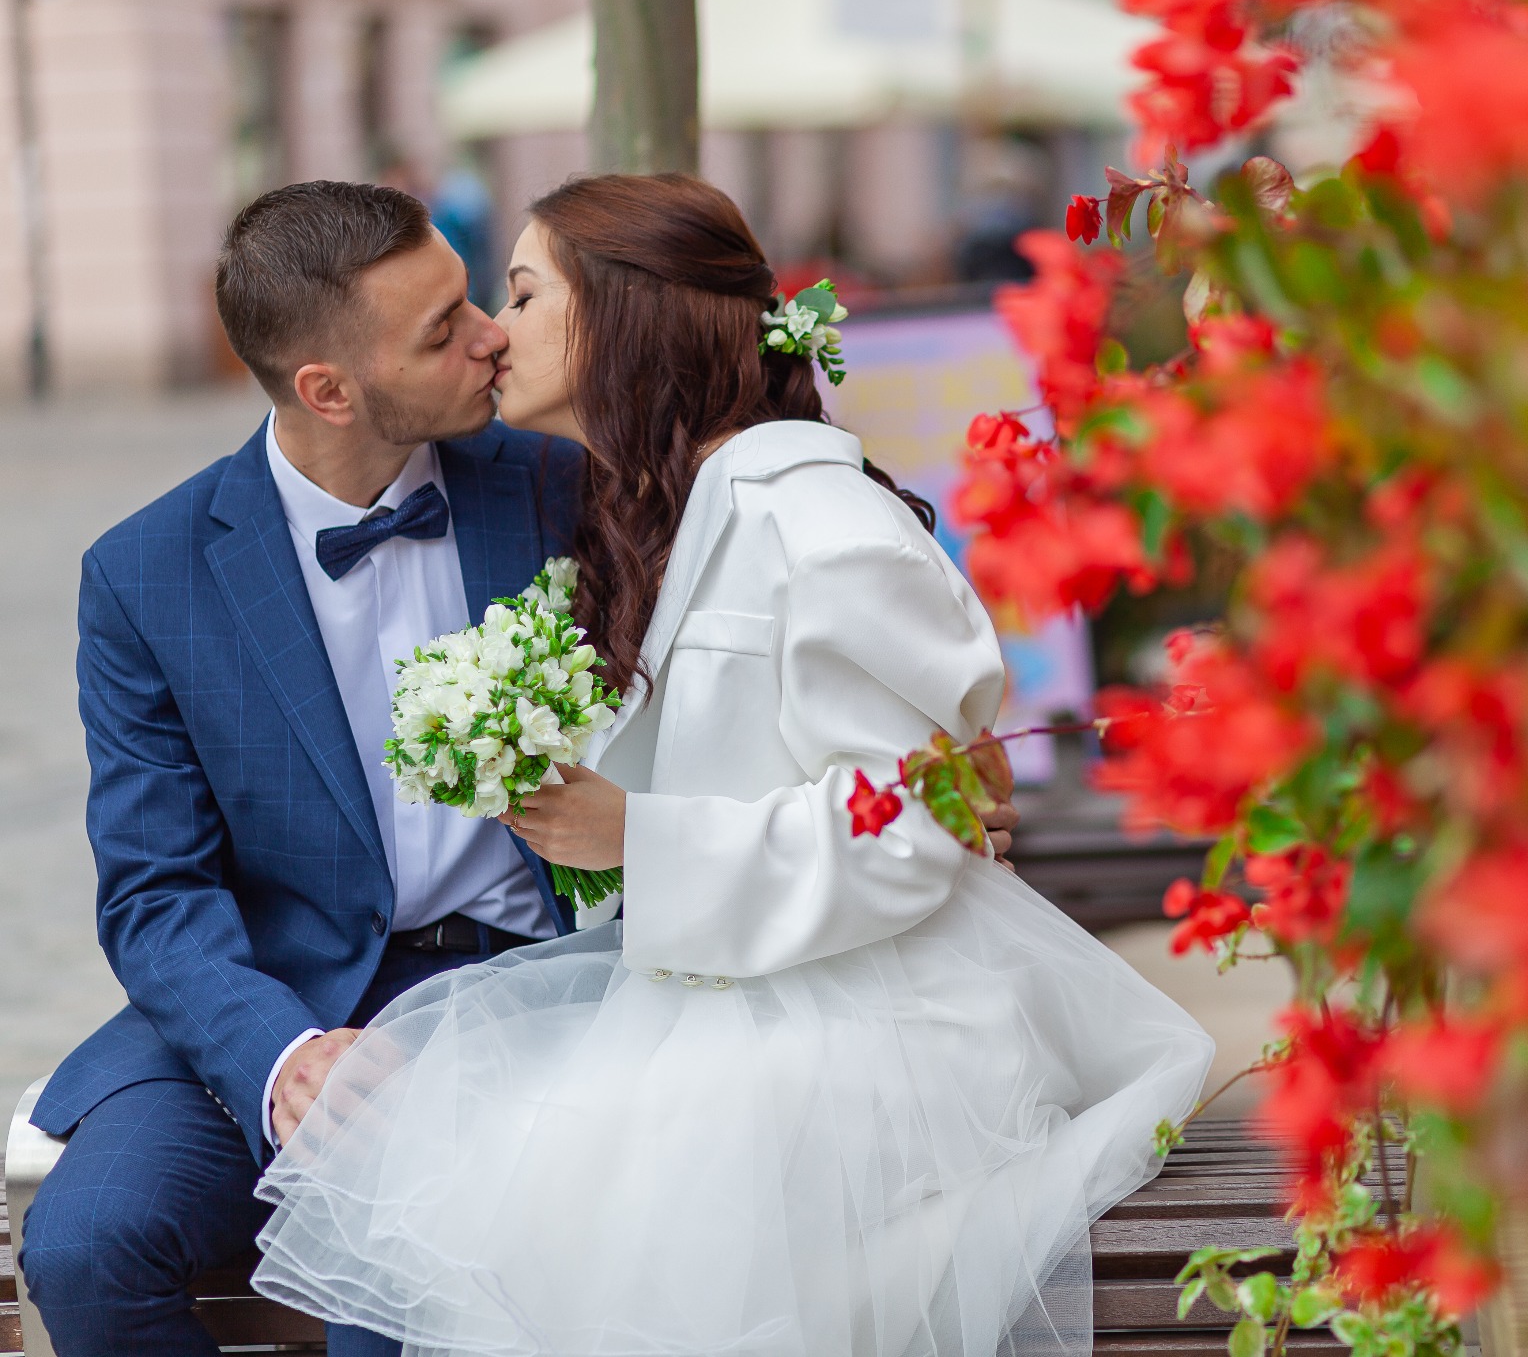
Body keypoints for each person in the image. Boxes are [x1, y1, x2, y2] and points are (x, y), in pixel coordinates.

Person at [12, 179, 1018, 1357]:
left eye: (480, 293)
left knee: (395, 1291)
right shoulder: (146, 572)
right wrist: (283, 1055)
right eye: (444, 328)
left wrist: (915, 800)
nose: (491, 334)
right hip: (268, 1007)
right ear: (328, 389)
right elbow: (153, 891)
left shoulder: (574, 480)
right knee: (82, 1251)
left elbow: (812, 649)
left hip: (522, 993)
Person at [248, 173, 1215, 1357]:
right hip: (739, 981)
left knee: (602, 1203)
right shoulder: (674, 506)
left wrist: (631, 837)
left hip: (878, 1017)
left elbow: (914, 823)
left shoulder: (816, 524)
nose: (497, 333)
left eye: (523, 291)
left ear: (623, 314)